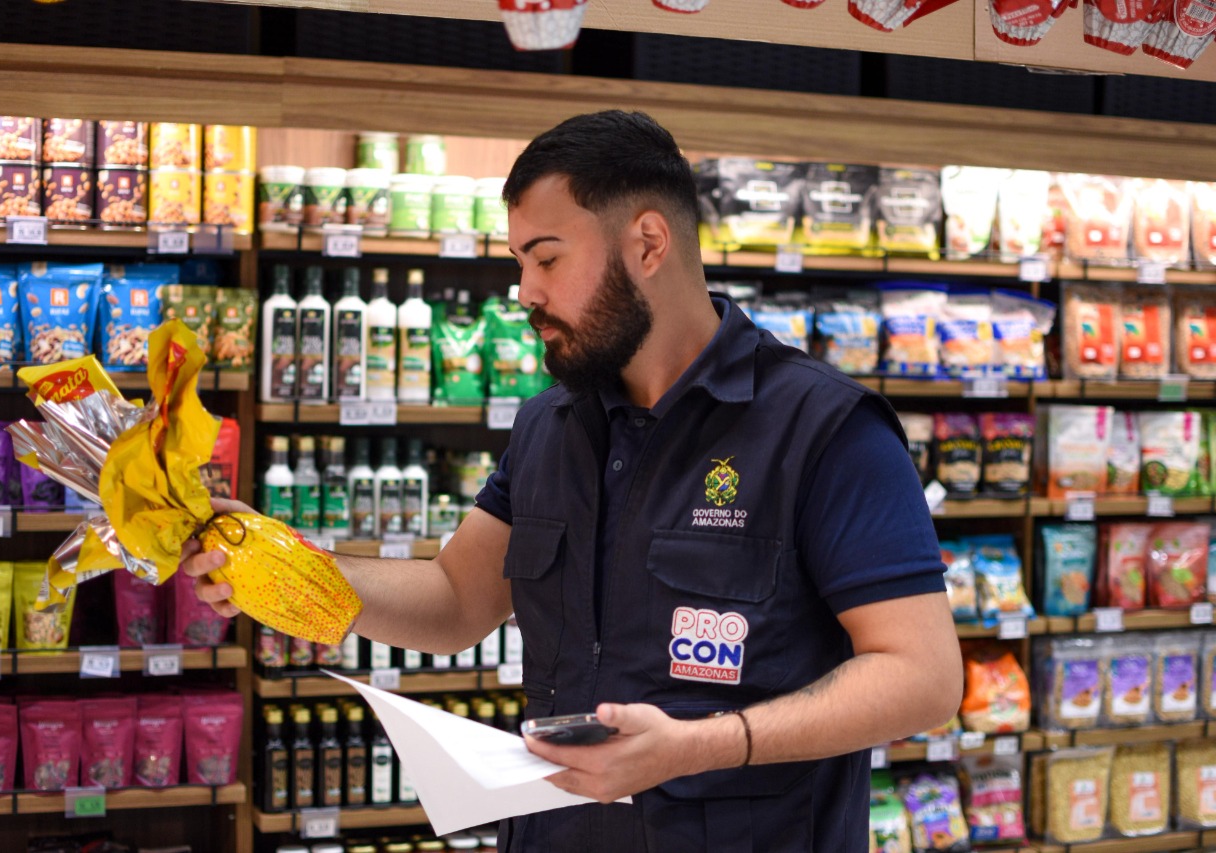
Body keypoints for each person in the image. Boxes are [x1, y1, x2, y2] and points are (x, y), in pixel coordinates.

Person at [182, 110, 962, 851]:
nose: (525, 292)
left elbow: (923, 678)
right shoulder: (550, 426)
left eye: (547, 258)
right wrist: (284, 568)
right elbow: (457, 599)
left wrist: (697, 747)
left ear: (648, 243)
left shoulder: (824, 429)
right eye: (520, 261)